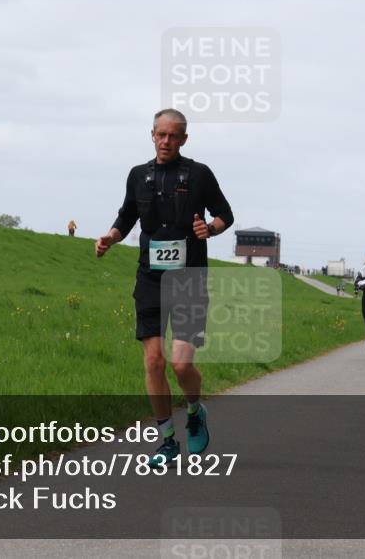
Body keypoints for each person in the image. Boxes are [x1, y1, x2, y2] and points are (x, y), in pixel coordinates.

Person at [96, 108, 234, 466]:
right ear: (152, 135)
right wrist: (111, 237)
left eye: (174, 136)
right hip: (150, 278)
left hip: (189, 278)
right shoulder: (138, 176)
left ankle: (193, 410)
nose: (167, 141)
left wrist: (212, 229)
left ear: (184, 139)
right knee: (154, 361)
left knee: (180, 364)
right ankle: (167, 440)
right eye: (161, 135)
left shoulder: (200, 174)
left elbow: (225, 214)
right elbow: (126, 216)